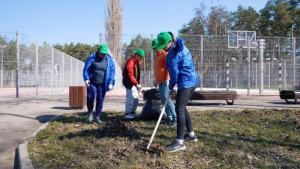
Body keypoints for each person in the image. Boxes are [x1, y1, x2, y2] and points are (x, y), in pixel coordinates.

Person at [156, 32, 199, 152]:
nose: (162, 47)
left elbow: (174, 75)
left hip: (186, 83)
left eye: (163, 44)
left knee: (179, 109)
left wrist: (170, 86)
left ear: (170, 41)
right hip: (193, 80)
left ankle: (180, 142)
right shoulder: (182, 47)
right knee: (182, 107)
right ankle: (191, 135)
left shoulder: (171, 56)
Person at [83, 44, 115, 124]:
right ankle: (90, 115)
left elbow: (112, 71)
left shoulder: (109, 60)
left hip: (103, 83)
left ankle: (97, 116)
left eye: (105, 53)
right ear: (98, 50)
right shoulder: (91, 58)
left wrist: (111, 82)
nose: (103, 55)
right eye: (102, 53)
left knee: (100, 99)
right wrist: (86, 79)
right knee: (91, 97)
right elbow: (86, 69)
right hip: (92, 82)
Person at [151, 39, 177, 127]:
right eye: (153, 48)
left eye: (155, 48)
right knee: (162, 99)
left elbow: (168, 67)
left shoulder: (164, 54)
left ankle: (175, 117)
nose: (153, 50)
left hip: (166, 79)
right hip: (160, 80)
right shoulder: (157, 55)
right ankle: (168, 117)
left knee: (166, 98)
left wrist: (168, 79)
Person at [122, 49, 145, 119]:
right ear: (136, 55)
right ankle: (127, 113)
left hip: (133, 82)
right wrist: (136, 83)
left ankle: (132, 112)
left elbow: (136, 73)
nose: (141, 59)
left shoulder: (137, 62)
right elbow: (131, 75)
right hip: (128, 82)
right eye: (140, 57)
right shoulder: (131, 62)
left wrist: (139, 81)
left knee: (136, 98)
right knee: (130, 97)